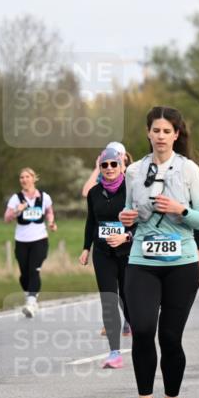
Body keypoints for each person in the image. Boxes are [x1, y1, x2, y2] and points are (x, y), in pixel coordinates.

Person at [118, 106, 199, 398]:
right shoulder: (133, 172)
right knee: (142, 330)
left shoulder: (189, 171)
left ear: (176, 135)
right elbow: (130, 212)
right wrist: (125, 220)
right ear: (148, 133)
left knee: (170, 337)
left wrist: (179, 208)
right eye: (155, 130)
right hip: (142, 262)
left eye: (166, 131)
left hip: (181, 264)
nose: (160, 136)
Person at [79, 147, 133, 369]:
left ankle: (138, 336)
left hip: (128, 251)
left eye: (113, 164)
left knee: (128, 298)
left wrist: (126, 236)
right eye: (105, 165)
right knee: (109, 299)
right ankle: (114, 352)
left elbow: (141, 220)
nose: (109, 168)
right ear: (99, 168)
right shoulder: (94, 193)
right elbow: (92, 222)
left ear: (121, 166)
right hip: (103, 253)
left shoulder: (131, 190)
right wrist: (86, 249)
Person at [5, 167, 57, 317]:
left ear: (34, 178)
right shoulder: (16, 198)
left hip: (40, 239)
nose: (24, 180)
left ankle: (31, 301)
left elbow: (49, 212)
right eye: (21, 177)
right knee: (24, 274)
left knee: (34, 270)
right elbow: (7, 218)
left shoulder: (44, 197)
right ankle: (32, 297)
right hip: (21, 240)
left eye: (27, 177)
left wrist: (52, 222)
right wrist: (17, 211)